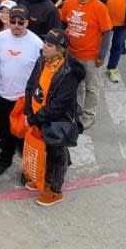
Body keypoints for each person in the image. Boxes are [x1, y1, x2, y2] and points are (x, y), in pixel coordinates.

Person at [23, 28, 85, 206]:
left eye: (50, 45)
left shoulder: (68, 73)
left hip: (56, 121)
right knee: (47, 150)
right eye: (45, 43)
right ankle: (47, 179)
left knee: (57, 153)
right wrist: (28, 110)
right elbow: (31, 85)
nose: (44, 47)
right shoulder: (42, 60)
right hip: (38, 116)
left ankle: (55, 191)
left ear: (60, 50)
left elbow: (58, 106)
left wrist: (36, 118)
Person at [0, 5, 42, 176]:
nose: (16, 26)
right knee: (4, 132)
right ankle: (5, 159)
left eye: (21, 22)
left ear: (27, 22)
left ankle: (27, 169)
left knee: (23, 137)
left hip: (23, 100)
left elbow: (40, 75)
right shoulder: (1, 37)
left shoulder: (37, 44)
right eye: (13, 21)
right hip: (3, 95)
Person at [59, 0, 112, 129]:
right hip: (71, 54)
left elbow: (107, 32)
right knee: (75, 85)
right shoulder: (69, 3)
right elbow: (63, 24)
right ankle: (78, 109)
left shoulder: (99, 7)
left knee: (91, 87)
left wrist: (102, 55)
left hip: (90, 56)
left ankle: (89, 115)